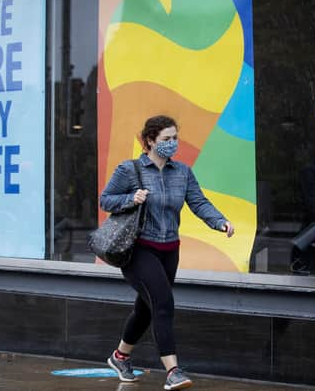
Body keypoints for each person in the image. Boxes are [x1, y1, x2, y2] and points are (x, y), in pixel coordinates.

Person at [100, 115, 235, 390]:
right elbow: (105, 199)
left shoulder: (182, 172)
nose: (172, 144)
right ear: (150, 140)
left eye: (175, 138)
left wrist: (220, 221)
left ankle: (120, 356)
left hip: (169, 250)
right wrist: (130, 198)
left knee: (146, 308)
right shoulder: (130, 170)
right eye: (166, 139)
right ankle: (173, 371)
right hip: (139, 250)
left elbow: (198, 202)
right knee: (163, 303)